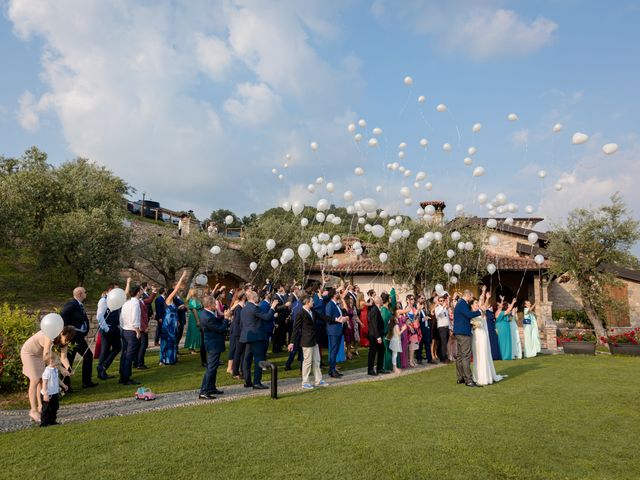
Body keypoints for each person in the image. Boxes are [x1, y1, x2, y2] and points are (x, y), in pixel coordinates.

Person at [21, 326, 75, 423]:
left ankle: (41, 406)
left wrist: (68, 368)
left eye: (69, 340)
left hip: (40, 355)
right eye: (66, 339)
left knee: (42, 380)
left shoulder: (64, 342)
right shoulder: (50, 335)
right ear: (61, 333)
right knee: (35, 380)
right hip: (30, 353)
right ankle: (33, 411)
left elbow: (64, 358)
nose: (67, 342)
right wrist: (61, 368)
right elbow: (46, 355)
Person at [288, 294, 329, 389]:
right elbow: (295, 329)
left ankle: (318, 380)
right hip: (306, 341)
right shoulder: (300, 313)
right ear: (307, 302)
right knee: (307, 362)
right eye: (311, 301)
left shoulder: (312, 311)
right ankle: (305, 382)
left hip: (314, 340)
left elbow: (323, 317)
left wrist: (336, 319)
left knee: (317, 361)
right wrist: (291, 342)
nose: (313, 302)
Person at [60, 287, 98, 390]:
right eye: (85, 292)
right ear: (80, 294)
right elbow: (63, 314)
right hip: (73, 338)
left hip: (79, 337)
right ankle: (65, 386)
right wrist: (67, 331)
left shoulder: (78, 304)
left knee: (88, 356)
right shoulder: (72, 304)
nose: (86, 294)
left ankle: (87, 381)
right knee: (69, 360)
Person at [240, 290, 278, 389]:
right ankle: (257, 382)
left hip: (248, 337)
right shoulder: (254, 308)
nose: (258, 297)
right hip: (257, 337)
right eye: (256, 296)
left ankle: (247, 381)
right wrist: (273, 307)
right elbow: (267, 317)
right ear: (253, 297)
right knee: (259, 360)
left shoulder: (244, 308)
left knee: (247, 360)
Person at [198, 295, 230, 400]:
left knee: (214, 367)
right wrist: (226, 319)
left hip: (213, 343)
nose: (216, 306)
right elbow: (220, 329)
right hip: (213, 344)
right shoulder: (207, 317)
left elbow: (216, 321)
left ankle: (211, 387)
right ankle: (204, 391)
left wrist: (222, 316)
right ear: (209, 305)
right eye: (214, 304)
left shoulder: (207, 313)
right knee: (211, 368)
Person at [471, 288, 504, 386]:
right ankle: (478, 376)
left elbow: (484, 306)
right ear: (472, 305)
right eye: (476, 303)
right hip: (476, 336)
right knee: (478, 355)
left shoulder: (480, 311)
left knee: (484, 354)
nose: (478, 304)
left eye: (478, 303)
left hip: (483, 335)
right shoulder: (471, 312)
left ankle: (485, 376)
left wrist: (486, 296)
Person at [453, 289, 482, 387]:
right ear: (468, 295)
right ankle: (468, 380)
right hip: (463, 332)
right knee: (466, 356)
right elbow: (469, 314)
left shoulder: (461, 303)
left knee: (460, 355)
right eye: (471, 296)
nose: (471, 298)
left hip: (459, 331)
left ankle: (460, 377)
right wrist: (479, 312)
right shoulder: (462, 303)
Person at [160, 272, 188, 365]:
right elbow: (176, 289)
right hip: (168, 323)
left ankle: (172, 358)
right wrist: (182, 277)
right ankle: (165, 360)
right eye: (173, 293)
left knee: (173, 340)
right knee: (167, 340)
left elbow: (173, 310)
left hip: (173, 322)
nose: (175, 293)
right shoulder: (168, 299)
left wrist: (178, 309)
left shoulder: (172, 301)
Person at [119, 285, 142, 385]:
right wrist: (137, 331)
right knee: (129, 355)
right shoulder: (135, 304)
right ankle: (126, 378)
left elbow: (121, 318)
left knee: (124, 354)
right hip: (132, 331)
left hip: (124, 330)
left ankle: (122, 376)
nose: (142, 291)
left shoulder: (126, 303)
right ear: (137, 292)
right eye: (141, 290)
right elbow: (135, 319)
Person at [40, 351, 68, 427]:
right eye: (58, 360)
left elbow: (57, 379)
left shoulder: (55, 369)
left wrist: (63, 385)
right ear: (51, 361)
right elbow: (44, 384)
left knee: (55, 407)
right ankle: (44, 422)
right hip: (48, 394)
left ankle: (52, 420)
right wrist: (45, 394)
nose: (59, 361)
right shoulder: (47, 372)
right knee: (46, 409)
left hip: (54, 393)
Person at [325, 289, 348, 378]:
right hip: (333, 331)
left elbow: (338, 316)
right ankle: (332, 370)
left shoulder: (336, 304)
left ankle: (333, 369)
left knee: (335, 351)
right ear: (334, 295)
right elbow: (329, 319)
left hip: (338, 330)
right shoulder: (330, 305)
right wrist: (340, 320)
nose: (339, 294)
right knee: (333, 351)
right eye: (337, 293)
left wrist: (343, 318)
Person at [97, 302, 122, 380]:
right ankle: (101, 371)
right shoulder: (104, 301)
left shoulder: (115, 301)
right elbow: (99, 316)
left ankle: (102, 367)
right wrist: (106, 329)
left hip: (115, 328)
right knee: (105, 351)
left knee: (118, 347)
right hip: (107, 329)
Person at [134, 284, 156, 370]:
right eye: (141, 289)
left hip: (142, 326)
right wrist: (144, 327)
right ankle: (140, 363)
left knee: (141, 345)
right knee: (143, 345)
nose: (143, 290)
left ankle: (136, 362)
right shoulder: (137, 302)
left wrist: (154, 291)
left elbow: (150, 300)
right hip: (141, 327)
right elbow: (139, 316)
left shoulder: (141, 301)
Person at [227, 290, 246, 375]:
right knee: (237, 352)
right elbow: (238, 321)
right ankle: (235, 371)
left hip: (240, 331)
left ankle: (241, 369)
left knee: (241, 352)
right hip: (238, 332)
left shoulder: (241, 306)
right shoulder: (238, 307)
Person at [367, 295, 386, 376]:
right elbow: (374, 325)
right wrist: (378, 337)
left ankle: (379, 368)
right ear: (378, 301)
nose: (382, 301)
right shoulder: (374, 310)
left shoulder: (376, 309)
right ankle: (370, 370)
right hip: (374, 335)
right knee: (372, 352)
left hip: (377, 334)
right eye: (381, 300)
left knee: (381, 350)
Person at [496, 296, 516, 361]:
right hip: (502, 327)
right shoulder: (498, 312)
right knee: (503, 341)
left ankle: (507, 355)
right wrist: (513, 303)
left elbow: (509, 318)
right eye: (500, 304)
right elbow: (507, 311)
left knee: (507, 341)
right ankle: (503, 356)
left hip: (506, 326)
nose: (501, 304)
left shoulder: (501, 311)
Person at [184, 288, 203, 354]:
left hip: (199, 316)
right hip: (194, 318)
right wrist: (197, 321)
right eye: (196, 291)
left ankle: (195, 347)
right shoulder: (192, 300)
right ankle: (191, 348)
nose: (197, 292)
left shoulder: (197, 300)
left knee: (197, 332)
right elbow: (194, 311)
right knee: (193, 332)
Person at [416, 295, 433, 364]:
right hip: (420, 329)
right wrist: (424, 319)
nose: (423, 299)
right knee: (420, 345)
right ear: (418, 299)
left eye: (424, 298)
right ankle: (419, 359)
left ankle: (429, 359)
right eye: (422, 298)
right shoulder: (416, 308)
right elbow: (416, 320)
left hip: (426, 329)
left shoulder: (424, 308)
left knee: (427, 344)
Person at [485, 293, 502, 361]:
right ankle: (491, 355)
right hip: (488, 327)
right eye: (490, 306)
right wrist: (487, 298)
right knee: (490, 341)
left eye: (491, 306)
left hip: (492, 327)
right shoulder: (486, 312)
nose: (491, 307)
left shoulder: (492, 313)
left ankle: (495, 355)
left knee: (494, 340)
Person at [434, 294, 450, 363]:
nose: (442, 302)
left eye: (443, 300)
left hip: (446, 327)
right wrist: (442, 307)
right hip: (441, 327)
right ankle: (444, 358)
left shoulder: (445, 308)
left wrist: (450, 327)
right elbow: (437, 315)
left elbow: (447, 318)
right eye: (440, 301)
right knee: (443, 343)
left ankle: (441, 355)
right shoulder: (437, 308)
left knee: (445, 343)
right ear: (438, 301)